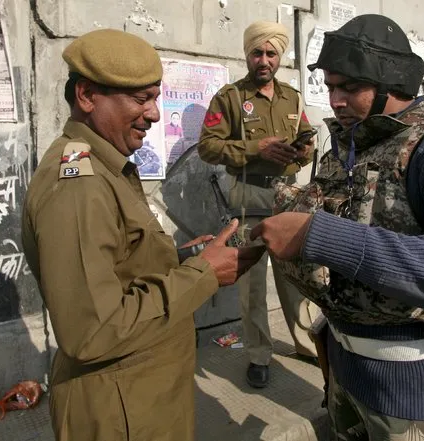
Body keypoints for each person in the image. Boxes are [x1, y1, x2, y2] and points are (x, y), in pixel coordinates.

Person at [251, 14, 424, 441]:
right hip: (342, 369)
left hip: (406, 388)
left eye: (348, 87)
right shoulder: (351, 141)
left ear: (392, 83)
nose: (334, 100)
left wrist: (315, 235)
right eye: (331, 87)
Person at [21, 29, 264, 441]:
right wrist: (203, 276)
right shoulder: (80, 184)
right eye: (140, 99)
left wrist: (185, 262)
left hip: (141, 394)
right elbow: (93, 331)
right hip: (121, 410)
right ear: (86, 96)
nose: (154, 114)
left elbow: (122, 268)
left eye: (155, 97)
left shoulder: (107, 164)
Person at [197, 20, 318, 389]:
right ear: (247, 54)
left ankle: (305, 344)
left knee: (295, 278)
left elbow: (305, 142)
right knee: (252, 286)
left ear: (279, 57)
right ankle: (258, 356)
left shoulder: (293, 98)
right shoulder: (230, 97)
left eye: (271, 53)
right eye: (257, 52)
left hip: (287, 199)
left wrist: (303, 152)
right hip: (247, 201)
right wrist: (256, 148)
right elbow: (208, 148)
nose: (263, 59)